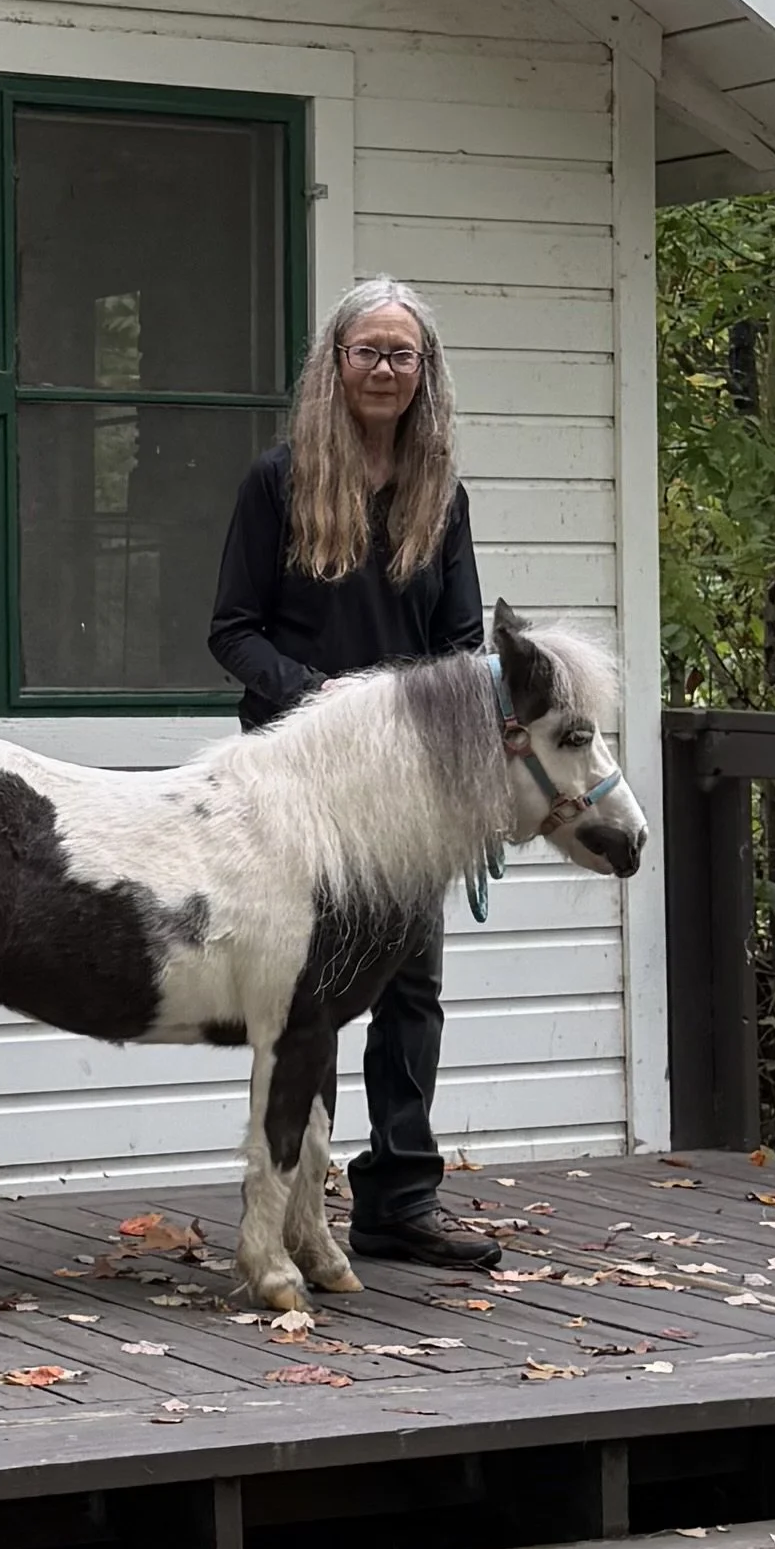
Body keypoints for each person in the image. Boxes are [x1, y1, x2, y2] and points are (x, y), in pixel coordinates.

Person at [207, 274, 501, 1270]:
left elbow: (463, 648)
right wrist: (316, 696)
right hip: (293, 784)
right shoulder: (278, 481)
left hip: (405, 790)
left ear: (425, 373)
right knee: (309, 994)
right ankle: (300, 1204)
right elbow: (231, 632)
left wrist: (410, 725)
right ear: (335, 364)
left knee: (410, 987)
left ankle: (400, 1199)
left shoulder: (440, 496)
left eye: (401, 354)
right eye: (367, 350)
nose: (384, 368)